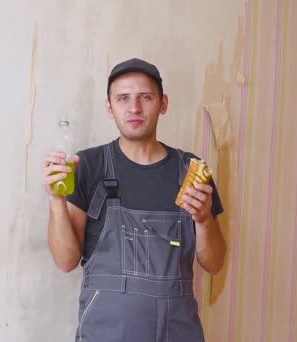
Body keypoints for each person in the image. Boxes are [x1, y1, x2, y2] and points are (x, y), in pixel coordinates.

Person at [43, 58, 227, 342]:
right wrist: (57, 200)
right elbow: (65, 261)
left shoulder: (191, 170)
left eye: (145, 97)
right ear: (110, 107)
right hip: (105, 334)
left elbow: (214, 264)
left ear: (163, 104)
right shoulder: (89, 166)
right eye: (123, 98)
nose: (134, 108)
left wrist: (203, 220)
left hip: (177, 333)